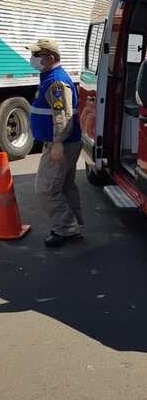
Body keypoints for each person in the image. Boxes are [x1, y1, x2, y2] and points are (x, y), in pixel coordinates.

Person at [27, 39, 84, 247]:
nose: (32, 59)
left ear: (50, 58)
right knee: (65, 186)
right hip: (64, 143)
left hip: (61, 145)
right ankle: (73, 226)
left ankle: (66, 229)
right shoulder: (50, 77)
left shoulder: (56, 82)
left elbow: (63, 116)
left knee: (47, 188)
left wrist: (58, 142)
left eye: (37, 55)